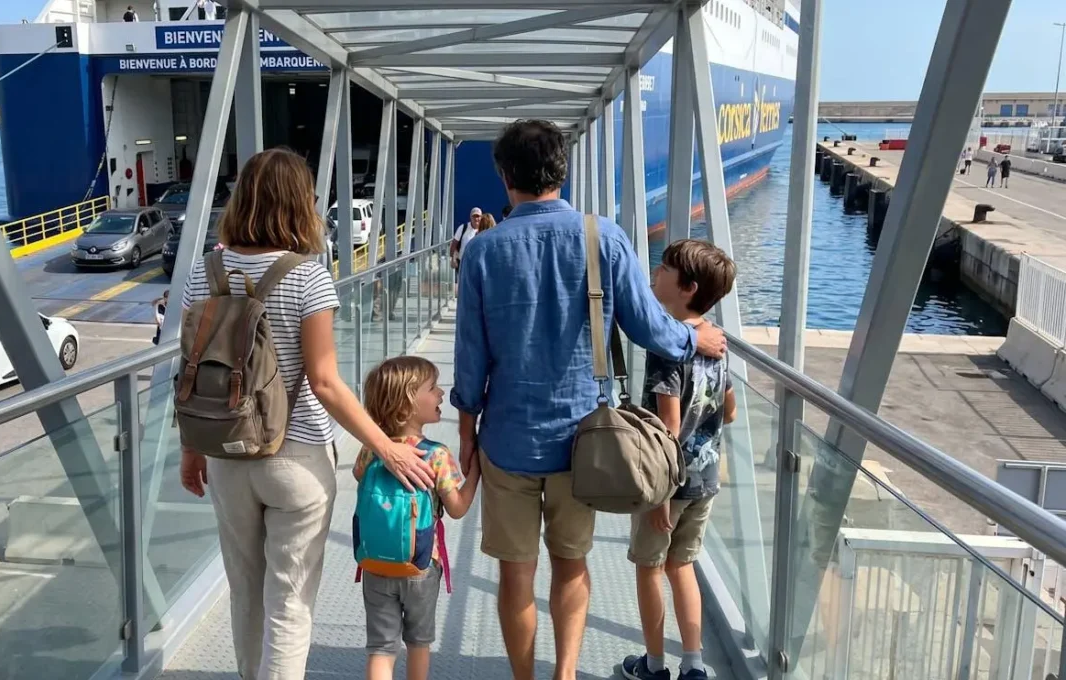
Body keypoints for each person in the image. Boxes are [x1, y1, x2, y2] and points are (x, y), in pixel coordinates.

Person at [450, 119, 727, 680]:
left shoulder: (483, 253)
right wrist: (693, 336)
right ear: (563, 171)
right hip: (587, 443)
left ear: (504, 176)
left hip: (507, 439)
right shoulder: (606, 238)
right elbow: (650, 327)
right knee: (571, 562)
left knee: (515, 574)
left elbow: (470, 360)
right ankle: (567, 674)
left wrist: (465, 436)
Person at [176, 148, 434, 679]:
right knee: (289, 602)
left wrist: (191, 450)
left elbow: (194, 373)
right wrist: (384, 445)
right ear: (300, 205)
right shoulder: (307, 276)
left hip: (226, 454)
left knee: (245, 592)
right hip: (296, 460)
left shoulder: (206, 272)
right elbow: (324, 382)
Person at [619, 239, 738, 680]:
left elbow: (668, 427)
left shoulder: (670, 347)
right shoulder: (718, 343)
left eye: (665, 267)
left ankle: (652, 666)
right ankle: (694, 665)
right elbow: (730, 410)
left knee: (650, 568)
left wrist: (660, 495)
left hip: (668, 482)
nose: (656, 270)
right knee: (682, 565)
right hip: (705, 479)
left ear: (686, 287)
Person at [355, 356, 479, 680]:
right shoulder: (435, 455)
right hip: (421, 566)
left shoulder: (372, 449)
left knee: (381, 647)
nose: (441, 394)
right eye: (433, 388)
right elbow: (457, 508)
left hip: (375, 563)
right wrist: (476, 473)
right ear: (409, 402)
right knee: (418, 643)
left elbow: (359, 477)